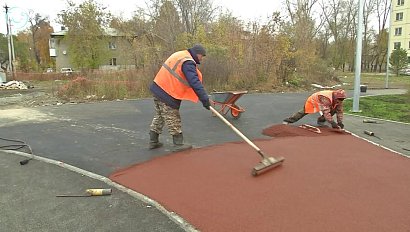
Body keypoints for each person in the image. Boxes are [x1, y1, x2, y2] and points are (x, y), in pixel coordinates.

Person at [148, 44, 211, 151]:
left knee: (160, 115)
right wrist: (205, 99)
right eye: (202, 56)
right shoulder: (188, 62)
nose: (201, 59)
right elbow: (194, 82)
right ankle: (178, 144)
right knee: (173, 117)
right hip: (167, 92)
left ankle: (153, 141)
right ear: (198, 54)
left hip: (158, 87)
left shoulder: (181, 55)